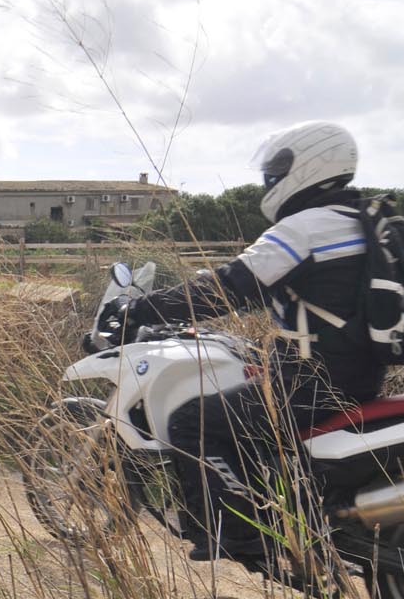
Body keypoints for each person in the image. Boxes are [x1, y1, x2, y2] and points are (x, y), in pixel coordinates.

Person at [105, 121, 386, 563]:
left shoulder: (305, 229)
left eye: (278, 169)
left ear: (308, 167)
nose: (271, 179)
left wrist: (141, 309)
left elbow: (227, 287)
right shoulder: (370, 223)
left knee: (191, 421)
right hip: (363, 378)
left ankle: (238, 537)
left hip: (310, 382)